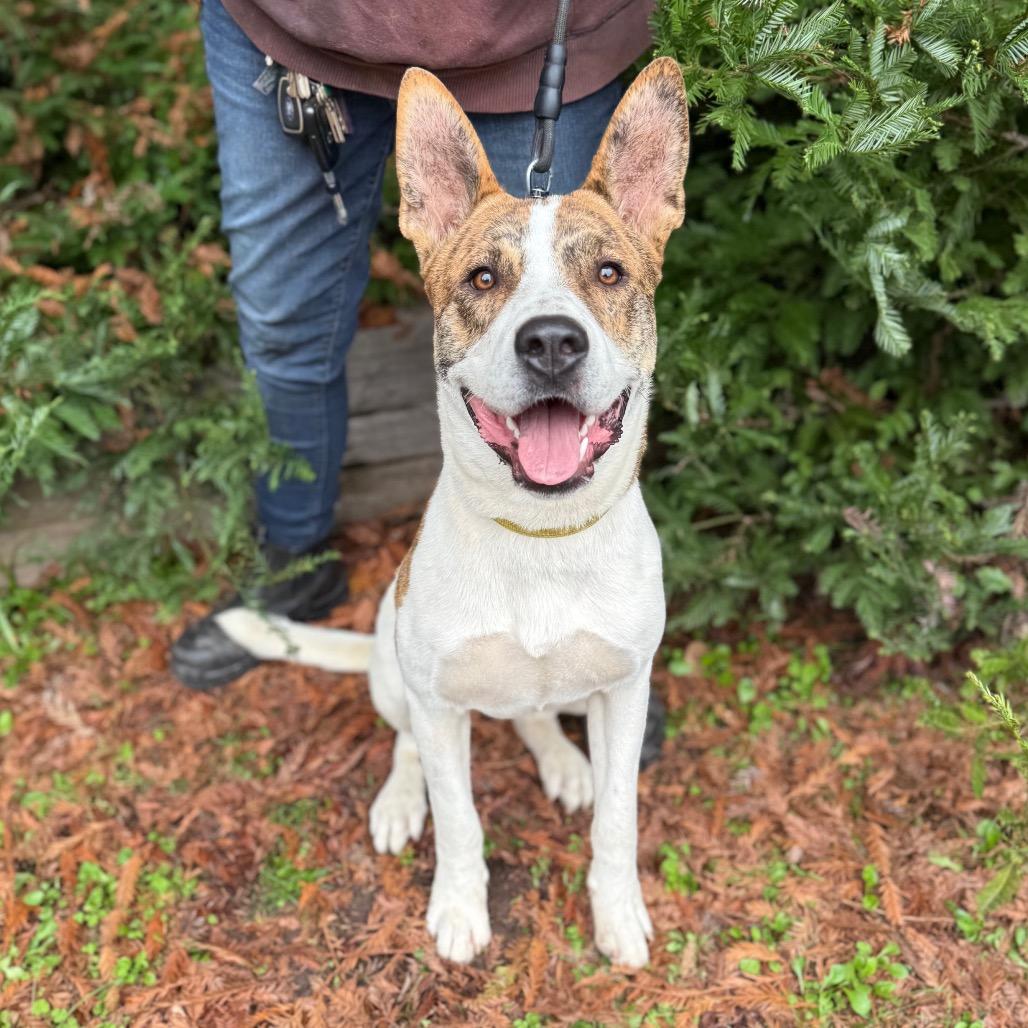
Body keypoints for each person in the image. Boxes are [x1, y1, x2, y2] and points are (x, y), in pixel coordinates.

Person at [171, 0, 665, 763]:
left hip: (539, 35)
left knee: (566, 330)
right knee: (284, 324)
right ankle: (293, 557)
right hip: (289, 35)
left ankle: (602, 642)